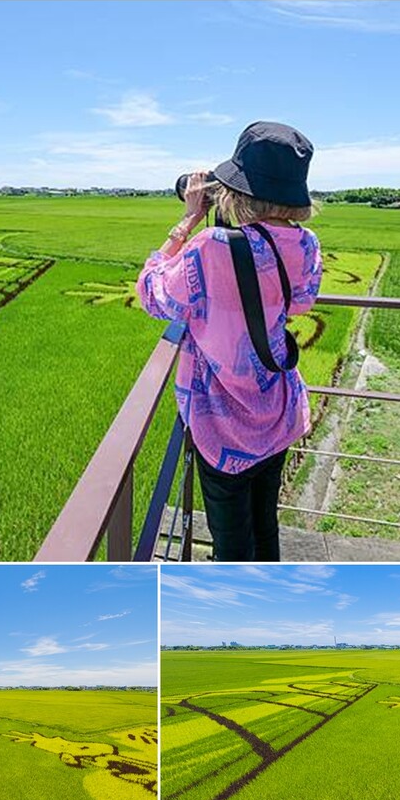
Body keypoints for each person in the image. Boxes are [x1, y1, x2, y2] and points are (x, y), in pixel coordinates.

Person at [136, 121, 322, 562]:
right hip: (277, 410)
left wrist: (188, 219)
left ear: (237, 188)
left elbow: (151, 293)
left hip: (223, 423)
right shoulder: (307, 244)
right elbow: (299, 303)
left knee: (232, 541)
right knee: (264, 523)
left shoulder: (211, 247)